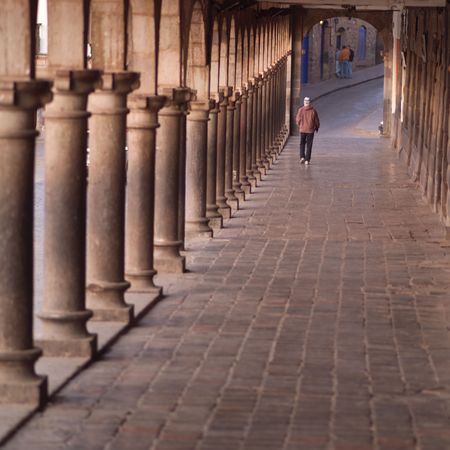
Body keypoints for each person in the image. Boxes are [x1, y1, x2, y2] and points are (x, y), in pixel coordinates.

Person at [295, 97, 320, 165]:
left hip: (302, 130)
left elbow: (297, 119)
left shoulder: (300, 110)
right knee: (309, 145)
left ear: (304, 102)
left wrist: (300, 125)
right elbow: (316, 121)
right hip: (310, 130)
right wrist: (317, 127)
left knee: (302, 144)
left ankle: (302, 157)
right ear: (310, 103)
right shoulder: (313, 111)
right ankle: (307, 160)